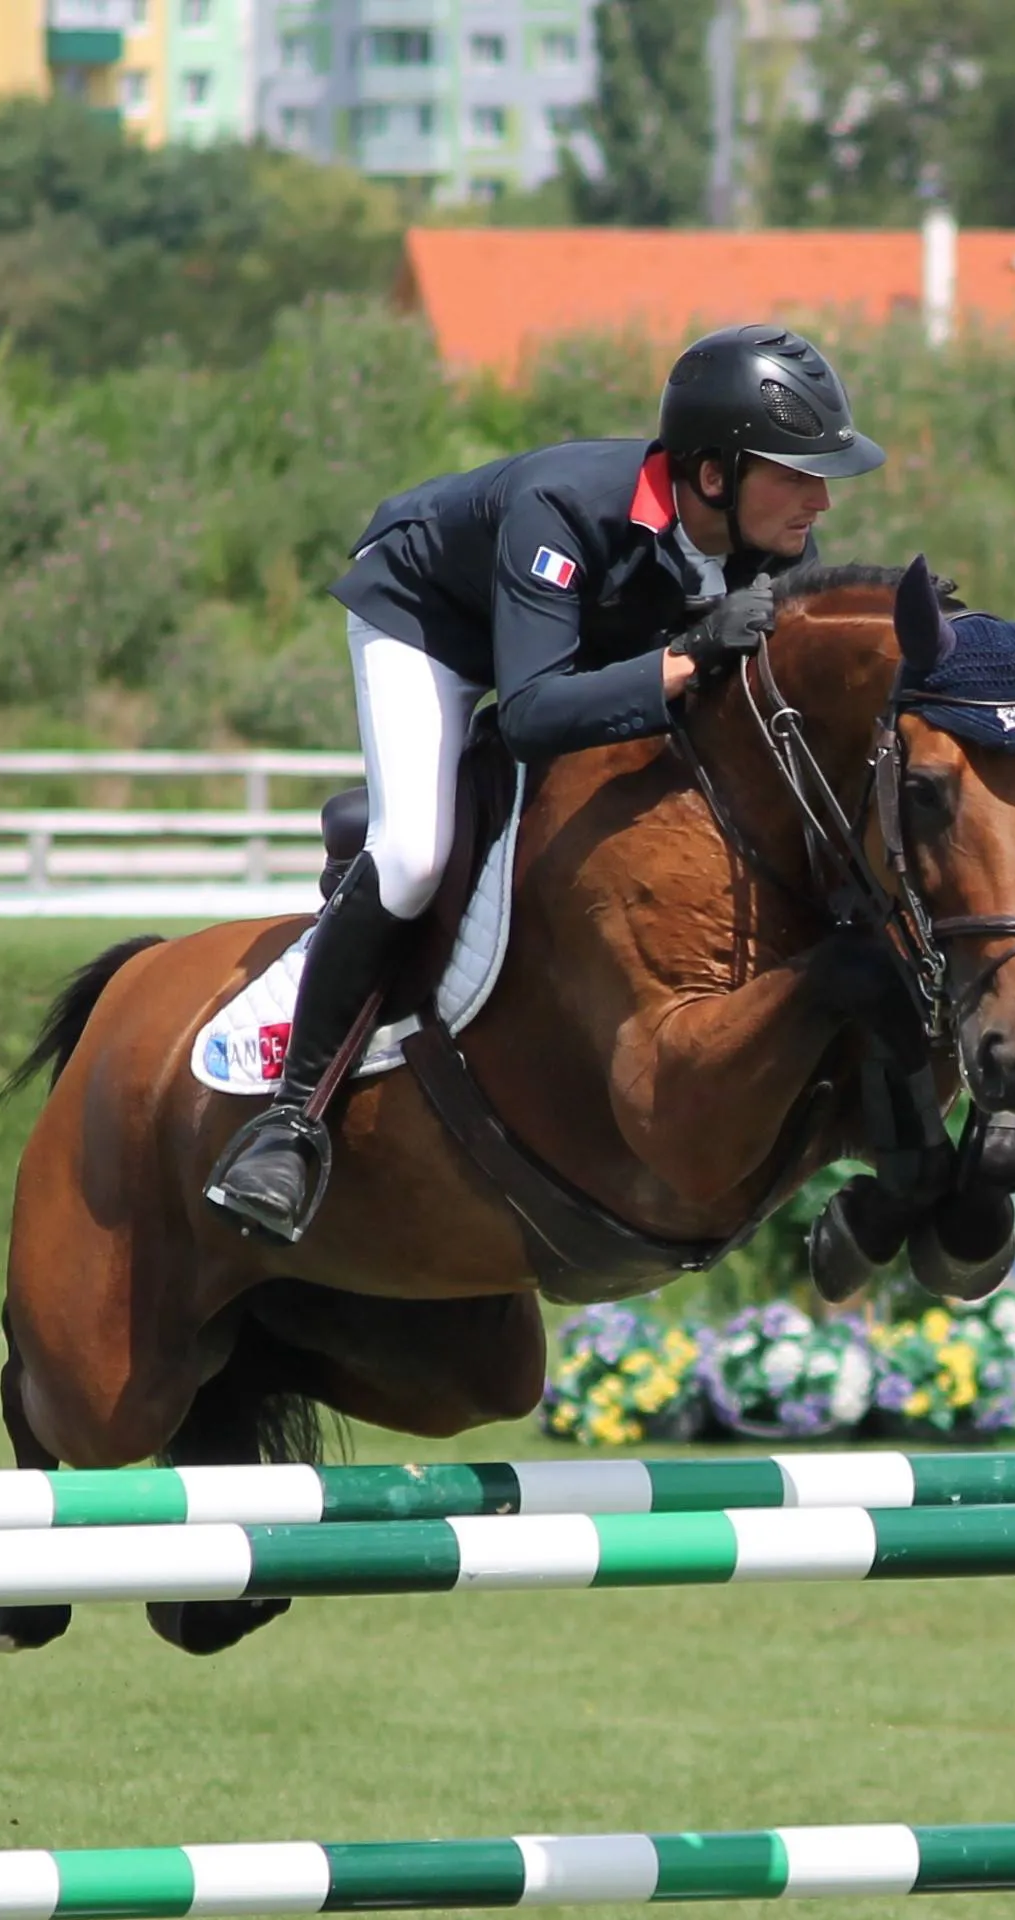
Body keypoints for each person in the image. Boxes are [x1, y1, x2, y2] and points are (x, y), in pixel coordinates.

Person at [202, 323, 886, 1244]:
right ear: (712, 474)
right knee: (410, 855)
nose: (819, 502)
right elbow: (528, 714)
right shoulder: (560, 508)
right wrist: (685, 661)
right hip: (430, 619)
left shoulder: (771, 550)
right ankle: (288, 1123)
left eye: (821, 476)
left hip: (574, 638)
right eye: (794, 473)